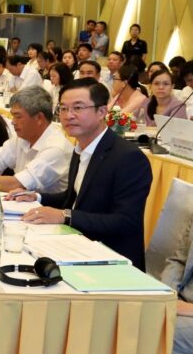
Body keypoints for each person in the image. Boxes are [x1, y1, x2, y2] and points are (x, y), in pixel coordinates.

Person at [15, 78, 151, 270]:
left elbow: (126, 221)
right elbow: (75, 197)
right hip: (77, 244)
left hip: (111, 259)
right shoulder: (80, 148)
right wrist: (37, 197)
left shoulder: (128, 157)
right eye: (63, 108)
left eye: (78, 108)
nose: (68, 115)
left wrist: (64, 216)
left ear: (101, 112)